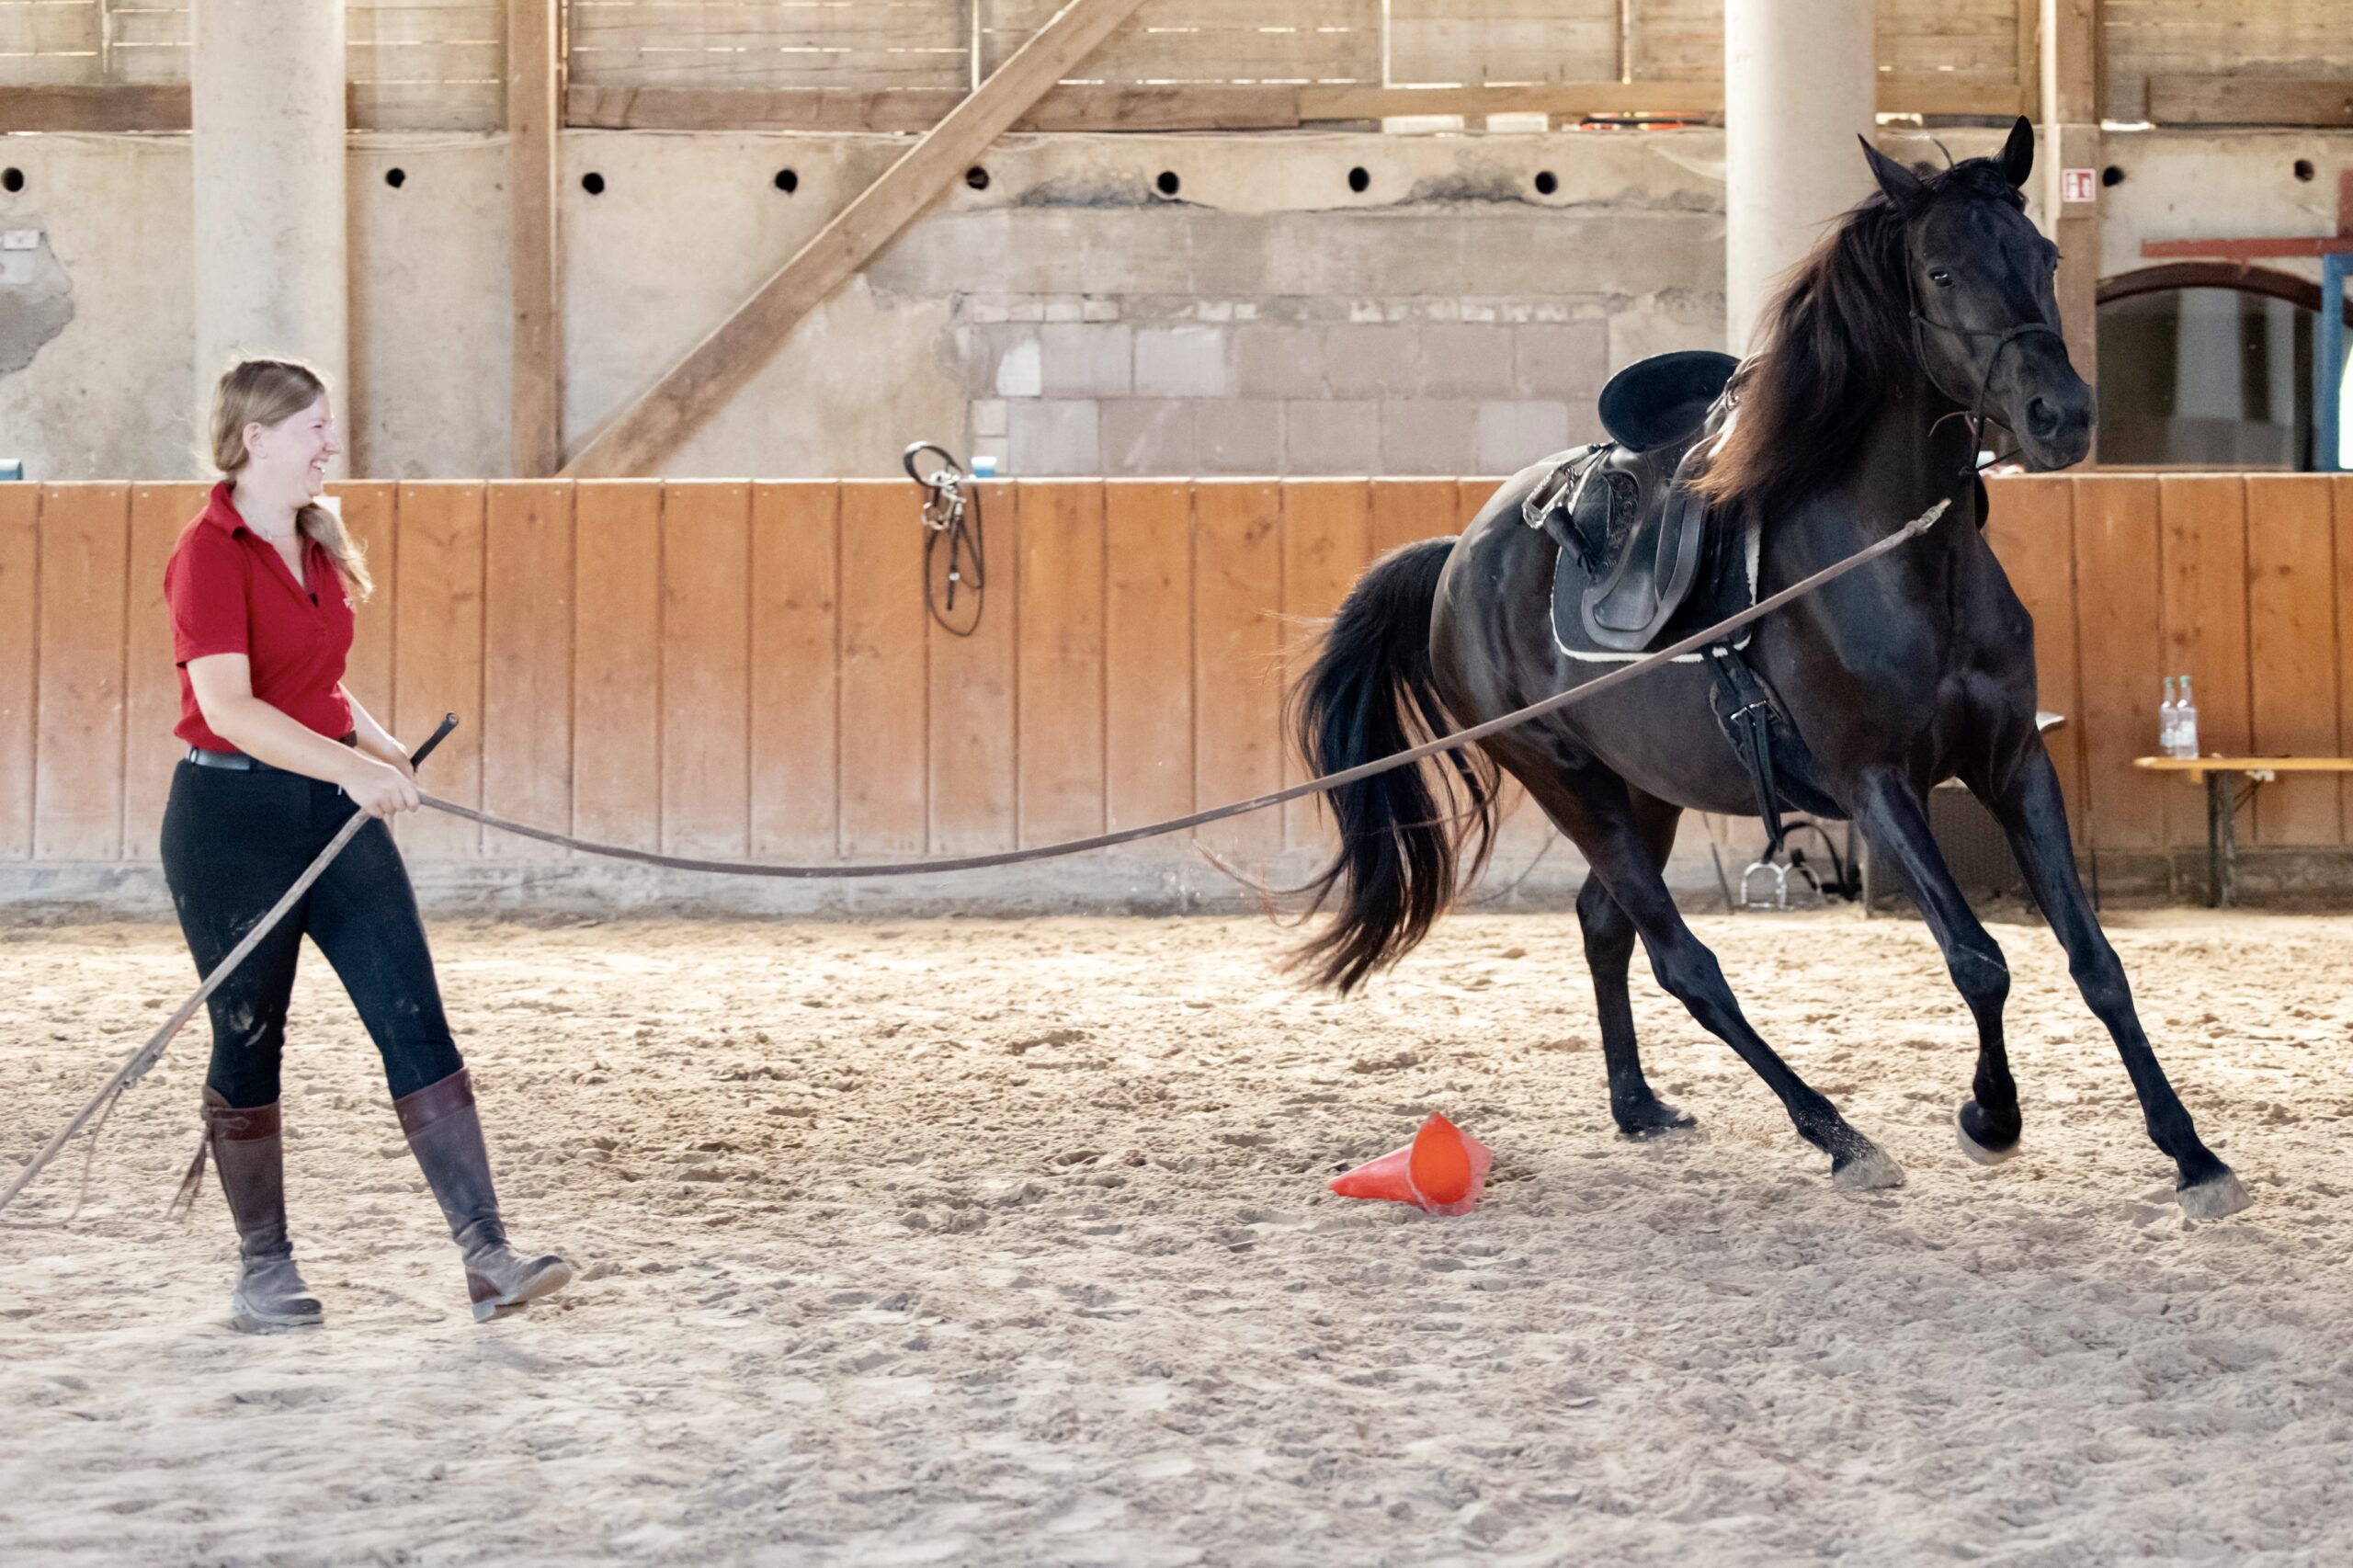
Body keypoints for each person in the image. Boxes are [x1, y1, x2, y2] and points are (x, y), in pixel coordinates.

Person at [161, 358, 569, 1331]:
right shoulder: (206, 553)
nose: (331, 445)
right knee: (249, 1036)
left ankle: (488, 1256)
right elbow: (231, 707)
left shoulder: (313, 542)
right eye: (314, 429)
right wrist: (349, 767)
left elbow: (313, 680)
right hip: (230, 826)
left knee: (413, 1017)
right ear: (256, 439)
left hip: (331, 815)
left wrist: (377, 746)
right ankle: (264, 1269)